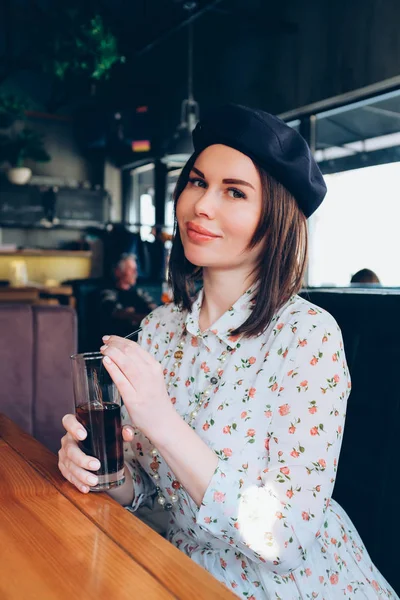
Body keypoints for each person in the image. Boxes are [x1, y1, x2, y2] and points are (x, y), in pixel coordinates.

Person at [58, 104, 397, 599]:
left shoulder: (308, 337)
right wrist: (103, 473)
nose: (202, 205)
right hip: (175, 574)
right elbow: (151, 492)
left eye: (234, 192)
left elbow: (284, 540)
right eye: (197, 182)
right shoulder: (157, 330)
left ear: (276, 216)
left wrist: (161, 418)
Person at [98, 253, 157, 338]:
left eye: (135, 269)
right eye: (130, 269)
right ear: (118, 272)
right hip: (120, 339)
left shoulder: (140, 292)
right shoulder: (108, 293)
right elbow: (115, 313)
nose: (135, 273)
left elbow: (154, 309)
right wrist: (141, 318)